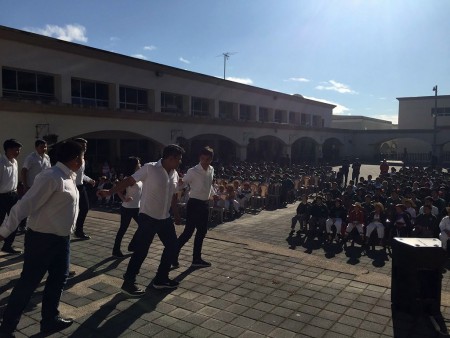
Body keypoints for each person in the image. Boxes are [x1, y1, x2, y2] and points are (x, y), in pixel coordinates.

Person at [0, 140, 84, 336]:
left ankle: (49, 319)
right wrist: (4, 231)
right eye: (81, 156)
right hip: (42, 240)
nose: (82, 160)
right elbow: (24, 205)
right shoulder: (51, 177)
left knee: (58, 279)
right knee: (28, 284)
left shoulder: (69, 177)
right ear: (75, 159)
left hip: (62, 240)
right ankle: (6, 328)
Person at [97, 144, 185, 297]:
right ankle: (129, 282)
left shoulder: (174, 173)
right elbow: (128, 181)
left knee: (172, 247)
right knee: (141, 251)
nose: (179, 162)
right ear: (170, 158)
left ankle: (161, 278)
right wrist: (110, 192)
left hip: (164, 218)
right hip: (148, 217)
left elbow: (173, 195)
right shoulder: (149, 168)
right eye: (178, 159)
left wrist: (176, 214)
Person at [173, 146, 216, 268]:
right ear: (199, 158)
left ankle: (196, 259)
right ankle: (173, 254)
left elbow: (209, 185)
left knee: (202, 232)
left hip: (204, 204)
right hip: (194, 204)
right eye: (203, 158)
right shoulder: (193, 171)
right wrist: (177, 184)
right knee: (188, 232)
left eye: (207, 159)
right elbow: (183, 183)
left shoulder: (211, 169)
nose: (205, 161)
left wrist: (213, 194)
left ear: (211, 159)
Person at [112, 156, 142, 258]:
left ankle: (132, 245)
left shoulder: (139, 177)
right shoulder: (127, 178)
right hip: (127, 208)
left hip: (137, 207)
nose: (140, 165)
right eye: (138, 163)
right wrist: (124, 199)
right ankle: (116, 250)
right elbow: (118, 190)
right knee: (123, 229)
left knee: (143, 226)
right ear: (134, 165)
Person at [18, 139, 51, 232]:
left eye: (45, 146)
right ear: (36, 147)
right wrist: (25, 186)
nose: (44, 148)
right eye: (42, 147)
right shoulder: (31, 158)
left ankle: (38, 223)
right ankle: (22, 225)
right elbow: (24, 171)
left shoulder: (47, 157)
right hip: (31, 186)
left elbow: (48, 171)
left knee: (40, 205)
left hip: (42, 187)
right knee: (27, 206)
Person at [0, 138, 23, 254]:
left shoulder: (15, 161)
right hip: (1, 197)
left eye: (19, 150)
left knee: (15, 220)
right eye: (16, 150)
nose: (18, 153)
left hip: (13, 195)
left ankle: (7, 245)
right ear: (8, 150)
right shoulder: (1, 163)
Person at [73, 138, 96, 239]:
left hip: (81, 186)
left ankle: (79, 231)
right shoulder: (71, 158)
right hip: (71, 186)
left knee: (85, 208)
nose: (84, 148)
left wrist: (90, 180)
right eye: (82, 146)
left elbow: (81, 174)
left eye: (85, 146)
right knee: (71, 210)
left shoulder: (82, 158)